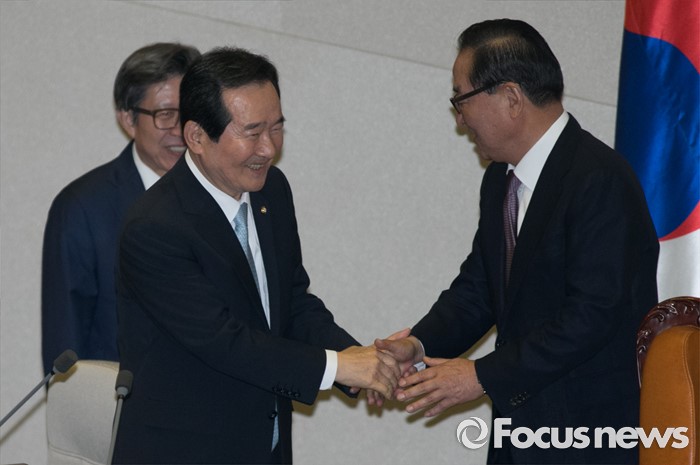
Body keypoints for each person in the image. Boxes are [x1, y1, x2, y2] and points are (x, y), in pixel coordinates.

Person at [377, 19, 659, 465]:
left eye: (461, 99)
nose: (459, 118)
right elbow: (479, 289)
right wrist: (420, 344)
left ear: (510, 97)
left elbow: (592, 316)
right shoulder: (500, 180)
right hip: (520, 433)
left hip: (586, 437)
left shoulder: (599, 179)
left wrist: (481, 376)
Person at [112, 47, 401, 464]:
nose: (269, 148)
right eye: (252, 132)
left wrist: (360, 360)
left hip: (265, 444)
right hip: (186, 450)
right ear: (196, 137)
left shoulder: (271, 191)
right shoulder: (155, 226)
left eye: (277, 127)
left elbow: (292, 302)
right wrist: (338, 366)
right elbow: (224, 341)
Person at [41, 42, 201, 373]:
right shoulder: (82, 208)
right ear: (128, 119)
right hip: (119, 400)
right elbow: (65, 346)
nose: (179, 130)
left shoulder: (221, 197)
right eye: (165, 114)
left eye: (189, 113)